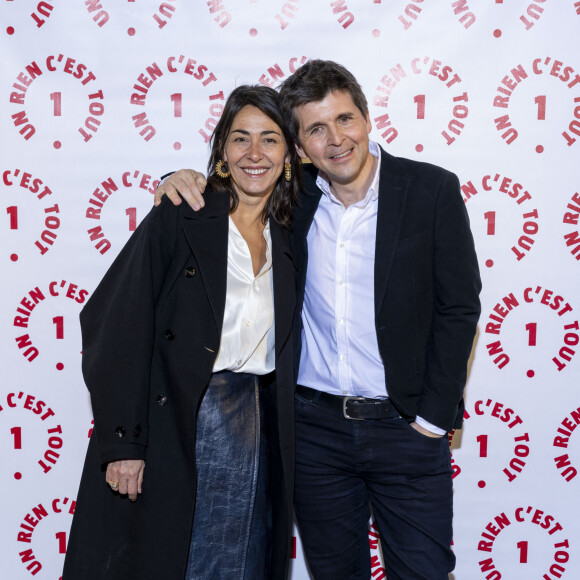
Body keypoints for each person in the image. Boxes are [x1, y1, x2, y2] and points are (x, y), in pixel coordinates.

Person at [155, 60, 482, 580]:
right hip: (314, 433)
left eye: (345, 119)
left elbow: (459, 306)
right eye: (315, 129)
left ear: (368, 119)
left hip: (407, 428)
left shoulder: (431, 191)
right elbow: (235, 185)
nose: (336, 140)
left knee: (423, 572)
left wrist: (432, 419)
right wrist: (178, 177)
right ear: (300, 146)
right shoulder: (294, 197)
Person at [62, 84, 301, 580]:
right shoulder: (182, 214)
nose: (254, 154)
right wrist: (125, 443)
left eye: (270, 139)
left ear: (289, 155)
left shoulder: (296, 230)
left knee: (239, 564)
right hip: (176, 419)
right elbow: (116, 323)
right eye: (240, 139)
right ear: (221, 152)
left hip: (256, 428)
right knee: (165, 561)